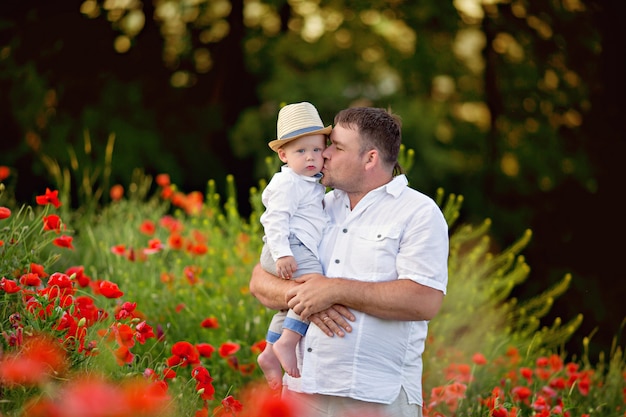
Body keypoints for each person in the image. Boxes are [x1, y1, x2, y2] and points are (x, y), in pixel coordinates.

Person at [249, 106, 449, 417]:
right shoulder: (317, 203)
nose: (324, 154)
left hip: (376, 398)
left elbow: (424, 301)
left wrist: (335, 290)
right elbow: (259, 281)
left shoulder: (418, 213)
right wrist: (309, 297)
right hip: (303, 392)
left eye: (336, 146)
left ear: (370, 158)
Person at [256, 102, 331, 390]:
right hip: (288, 246)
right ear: (283, 155)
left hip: (294, 247)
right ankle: (288, 342)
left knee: (288, 308)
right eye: (301, 151)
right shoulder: (287, 183)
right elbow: (274, 219)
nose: (311, 157)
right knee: (314, 285)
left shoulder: (310, 180)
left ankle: (269, 352)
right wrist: (283, 253)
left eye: (316, 150)